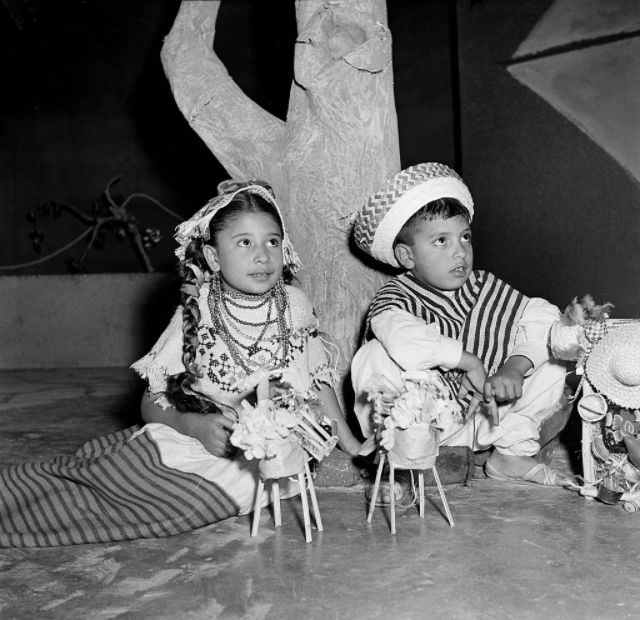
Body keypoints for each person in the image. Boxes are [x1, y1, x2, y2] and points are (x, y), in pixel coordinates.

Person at [0, 180, 360, 547]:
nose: (263, 255)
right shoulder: (198, 308)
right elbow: (149, 401)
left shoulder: (294, 305)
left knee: (165, 507)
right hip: (187, 436)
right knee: (97, 477)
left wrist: (351, 444)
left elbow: (317, 380)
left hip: (259, 459)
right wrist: (194, 426)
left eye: (272, 241)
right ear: (213, 258)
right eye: (245, 242)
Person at [350, 162, 572, 495]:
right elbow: (406, 341)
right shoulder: (394, 298)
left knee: (556, 348)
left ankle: (511, 456)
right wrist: (469, 361)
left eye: (464, 237)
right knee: (374, 354)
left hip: (487, 415)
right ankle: (397, 465)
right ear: (406, 256)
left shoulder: (485, 285)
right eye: (441, 240)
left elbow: (542, 316)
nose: (460, 251)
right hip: (425, 426)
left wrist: (514, 366)